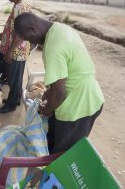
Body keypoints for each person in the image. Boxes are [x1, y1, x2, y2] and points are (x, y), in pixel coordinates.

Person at [14, 12, 104, 154]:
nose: (30, 43)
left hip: (79, 105)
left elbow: (59, 93)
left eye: (28, 39)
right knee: (53, 139)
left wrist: (46, 111)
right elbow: (60, 80)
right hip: (87, 95)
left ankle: (54, 175)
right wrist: (48, 96)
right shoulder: (60, 29)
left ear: (33, 29)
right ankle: (48, 169)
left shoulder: (52, 47)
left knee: (62, 154)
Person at [0, 0, 32, 114]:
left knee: (14, 78)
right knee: (13, 77)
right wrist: (5, 33)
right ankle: (15, 98)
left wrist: (9, 52)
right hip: (16, 49)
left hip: (16, 51)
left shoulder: (20, 7)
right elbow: (14, 27)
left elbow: (20, 34)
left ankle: (11, 105)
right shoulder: (18, 5)